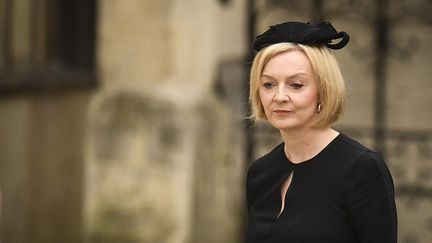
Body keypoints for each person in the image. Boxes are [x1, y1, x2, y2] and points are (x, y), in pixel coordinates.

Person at [244, 21, 397, 243]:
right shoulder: (260, 172)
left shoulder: (362, 169)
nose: (279, 96)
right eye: (268, 84)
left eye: (296, 85)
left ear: (324, 91)